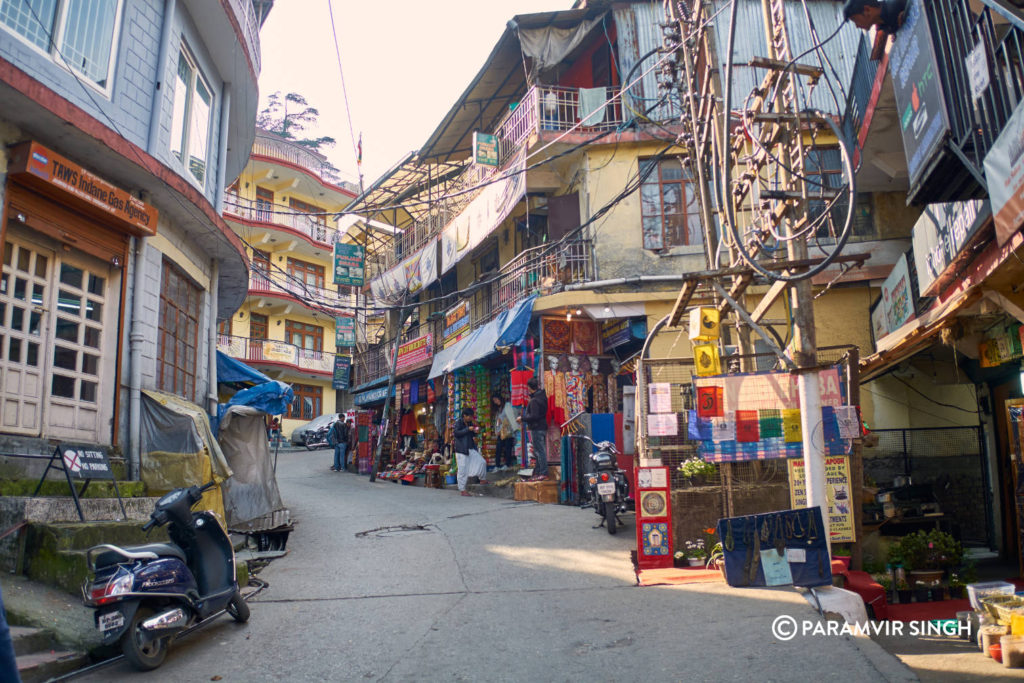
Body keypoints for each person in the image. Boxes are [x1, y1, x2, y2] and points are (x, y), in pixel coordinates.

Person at [453, 407, 489, 496]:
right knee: (462, 470)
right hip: (461, 450)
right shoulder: (459, 423)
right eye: (469, 416)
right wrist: (467, 429)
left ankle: (482, 479)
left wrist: (475, 431)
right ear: (464, 416)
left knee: (482, 462)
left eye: (471, 416)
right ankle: (462, 489)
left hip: (470, 448)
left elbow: (471, 434)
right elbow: (456, 433)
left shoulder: (469, 423)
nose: (470, 418)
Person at [520, 377, 549, 481]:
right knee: (538, 451)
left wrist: (522, 418)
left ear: (529, 388)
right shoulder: (542, 397)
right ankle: (538, 472)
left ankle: (543, 472)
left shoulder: (535, 400)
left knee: (539, 451)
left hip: (537, 427)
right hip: (541, 426)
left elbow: (534, 416)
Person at [843, 0, 907, 33]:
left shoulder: (896, 5)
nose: (857, 26)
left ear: (867, 10)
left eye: (856, 21)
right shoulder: (884, 27)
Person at [492, 393, 518, 471]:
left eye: (496, 399)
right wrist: (497, 430)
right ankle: (497, 465)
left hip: (508, 432)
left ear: (499, 398)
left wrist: (502, 421)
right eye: (494, 401)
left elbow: (512, 418)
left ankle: (507, 464)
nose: (495, 402)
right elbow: (497, 420)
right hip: (501, 432)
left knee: (508, 448)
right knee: (498, 449)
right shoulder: (499, 409)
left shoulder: (507, 406)